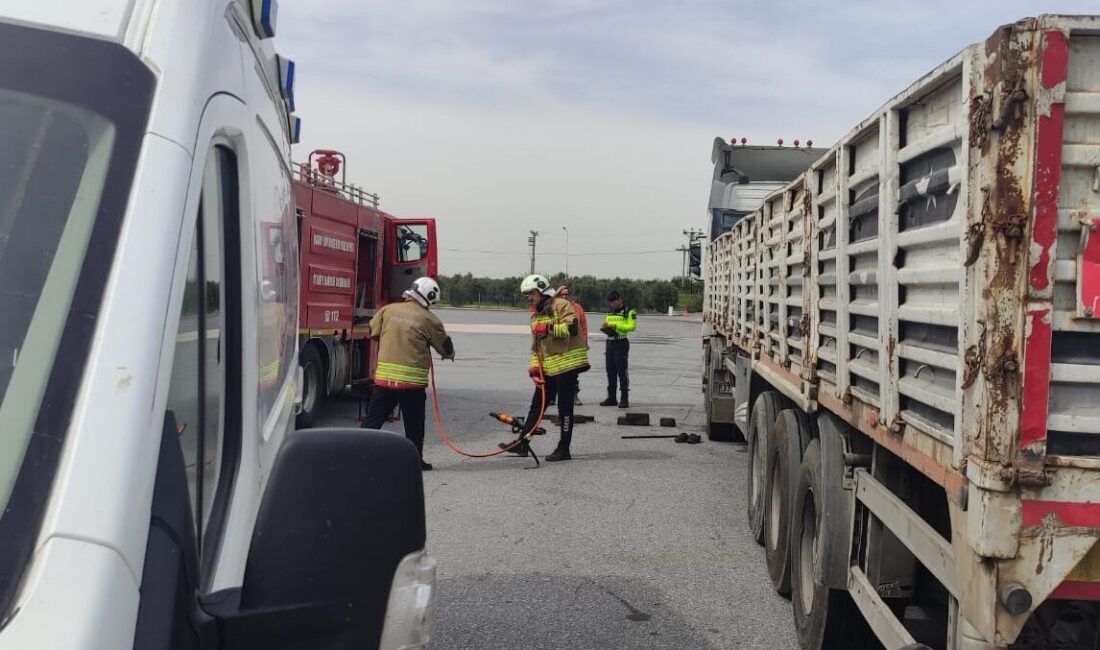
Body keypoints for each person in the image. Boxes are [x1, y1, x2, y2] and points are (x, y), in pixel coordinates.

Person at [360, 277, 454, 470]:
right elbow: (445, 347)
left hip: (384, 381)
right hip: (411, 385)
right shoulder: (429, 319)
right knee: (414, 427)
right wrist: (449, 354)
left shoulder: (388, 310)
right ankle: (415, 462)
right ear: (429, 297)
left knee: (372, 421)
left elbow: (373, 331)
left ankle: (358, 455)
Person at [505, 274, 589, 462]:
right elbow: (536, 346)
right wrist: (534, 369)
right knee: (537, 406)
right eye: (527, 294)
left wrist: (548, 328)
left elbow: (571, 329)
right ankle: (522, 444)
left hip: (567, 365)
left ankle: (564, 448)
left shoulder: (561, 305)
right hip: (549, 368)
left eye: (531, 293)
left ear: (542, 291)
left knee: (564, 407)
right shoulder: (535, 317)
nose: (529, 297)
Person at [599, 289, 636, 408]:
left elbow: (631, 326)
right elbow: (607, 322)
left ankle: (624, 398)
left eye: (614, 302)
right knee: (610, 370)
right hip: (610, 342)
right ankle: (611, 397)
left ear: (619, 300)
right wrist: (605, 326)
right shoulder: (610, 311)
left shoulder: (629, 312)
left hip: (621, 342)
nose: (612, 305)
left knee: (622, 370)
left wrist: (616, 325)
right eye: (611, 303)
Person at [554, 285, 588, 406]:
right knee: (557, 370)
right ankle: (553, 397)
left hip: (574, 344)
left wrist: (585, 342)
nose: (564, 296)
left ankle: (574, 396)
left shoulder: (578, 308)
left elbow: (583, 327)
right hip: (559, 344)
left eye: (566, 294)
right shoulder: (555, 306)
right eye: (562, 294)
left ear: (570, 295)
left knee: (574, 372)